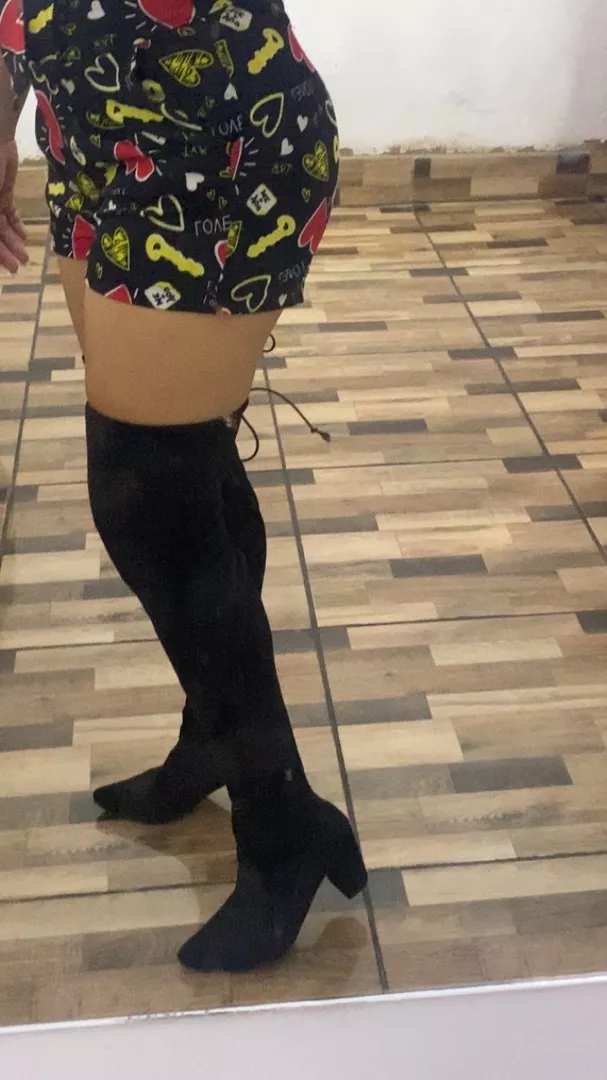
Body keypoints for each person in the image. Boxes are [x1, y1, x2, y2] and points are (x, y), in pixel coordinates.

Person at [0, 0, 367, 972]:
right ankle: (211, 739)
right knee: (180, 467)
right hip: (93, 137)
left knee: (146, 496)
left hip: (219, 154)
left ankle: (281, 827)